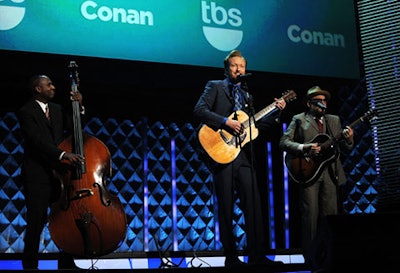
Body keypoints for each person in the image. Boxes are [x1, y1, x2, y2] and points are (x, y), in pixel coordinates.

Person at [193, 49, 286, 267]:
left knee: (254, 205)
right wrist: (225, 122)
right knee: (225, 207)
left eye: (242, 66)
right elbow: (199, 110)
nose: (239, 69)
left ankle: (257, 255)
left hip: (243, 157)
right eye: (234, 66)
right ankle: (231, 257)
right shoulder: (214, 86)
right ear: (227, 69)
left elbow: (255, 128)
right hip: (220, 153)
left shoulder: (247, 96)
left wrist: (277, 112)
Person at [279, 86, 354, 271]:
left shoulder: (334, 120)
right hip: (308, 174)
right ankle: (310, 260)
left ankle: (329, 258)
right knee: (310, 217)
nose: (322, 103)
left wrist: (349, 139)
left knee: (330, 218)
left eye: (324, 101)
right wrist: (305, 147)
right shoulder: (299, 119)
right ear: (309, 103)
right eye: (318, 101)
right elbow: (284, 142)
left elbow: (346, 148)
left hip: (330, 174)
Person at [17, 74, 85, 270]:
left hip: (59, 176)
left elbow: (74, 128)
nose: (54, 87)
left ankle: (66, 262)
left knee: (65, 220)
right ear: (38, 89)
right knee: (36, 222)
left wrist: (79, 107)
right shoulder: (26, 111)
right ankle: (30, 265)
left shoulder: (56, 109)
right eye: (49, 85)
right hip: (37, 175)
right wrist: (63, 154)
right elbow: (37, 141)